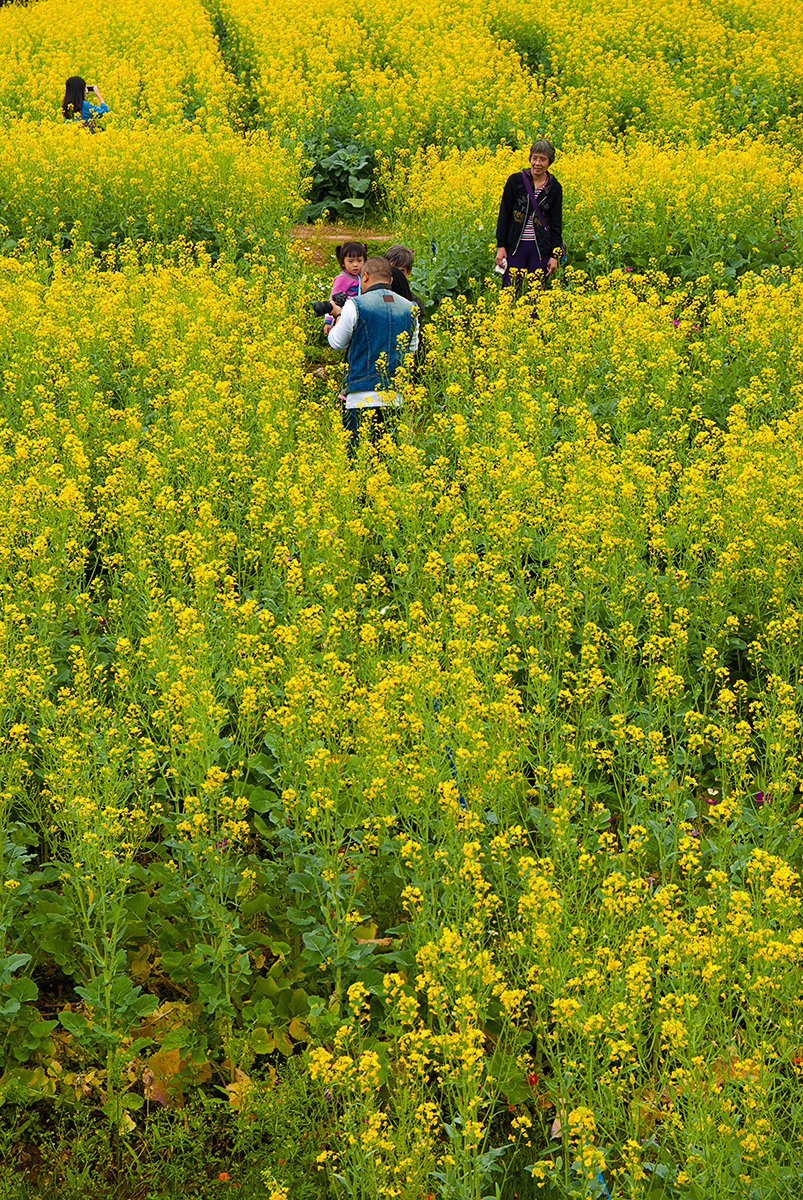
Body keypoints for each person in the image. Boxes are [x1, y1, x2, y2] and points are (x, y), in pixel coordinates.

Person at [327, 256, 419, 454]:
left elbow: (336, 342)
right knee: (387, 462)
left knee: (359, 462)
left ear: (365, 276)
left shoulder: (355, 305)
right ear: (391, 280)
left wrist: (337, 315)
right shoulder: (411, 308)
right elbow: (412, 348)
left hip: (360, 396)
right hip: (394, 397)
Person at [495, 139, 563, 294]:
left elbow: (556, 223)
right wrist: (501, 246)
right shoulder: (516, 181)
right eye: (535, 158)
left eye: (542, 159)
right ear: (530, 159)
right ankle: (508, 318)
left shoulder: (554, 187)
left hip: (540, 248)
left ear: (550, 162)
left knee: (536, 295)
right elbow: (504, 214)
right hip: (515, 246)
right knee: (509, 292)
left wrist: (554, 255)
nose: (537, 163)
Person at [321, 241, 367, 333]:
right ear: (343, 263)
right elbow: (332, 300)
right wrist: (328, 321)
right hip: (345, 316)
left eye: (359, 261)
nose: (355, 264)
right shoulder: (342, 279)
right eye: (350, 261)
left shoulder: (363, 276)